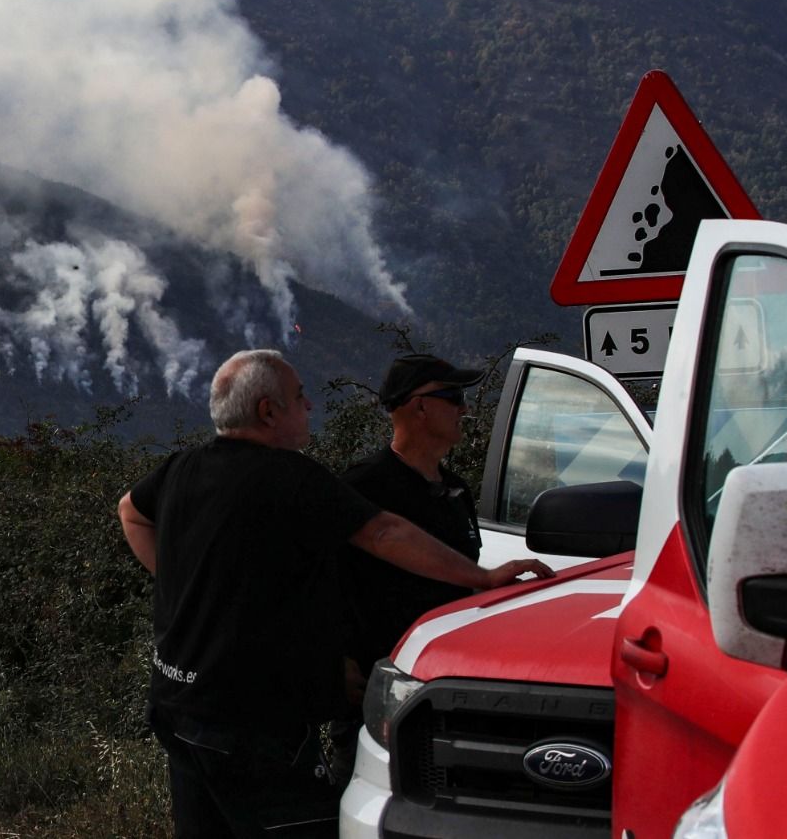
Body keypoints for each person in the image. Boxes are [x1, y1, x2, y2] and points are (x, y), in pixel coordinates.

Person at [117, 349, 552, 838]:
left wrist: (183, 587)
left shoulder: (182, 466)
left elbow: (130, 511)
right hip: (250, 717)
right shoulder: (289, 476)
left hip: (176, 702)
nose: (310, 407)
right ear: (268, 411)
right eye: (300, 397)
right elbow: (384, 534)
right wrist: (483, 579)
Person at [338, 352, 490, 673]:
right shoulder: (363, 485)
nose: (464, 408)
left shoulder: (457, 489)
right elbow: (325, 580)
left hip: (448, 671)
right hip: (381, 677)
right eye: (454, 396)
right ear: (420, 407)